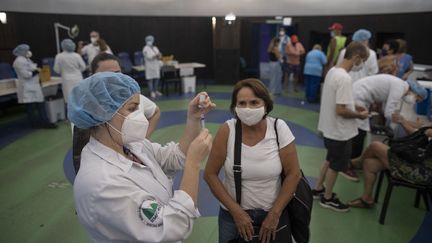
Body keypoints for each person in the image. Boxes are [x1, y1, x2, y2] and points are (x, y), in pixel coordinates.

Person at [68, 72, 215, 242]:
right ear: (103, 114)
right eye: (131, 108)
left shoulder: (129, 145)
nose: (140, 115)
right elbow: (173, 227)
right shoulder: (101, 183)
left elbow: (174, 157)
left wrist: (193, 118)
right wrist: (193, 165)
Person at [204, 79, 301, 243]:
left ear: (266, 104)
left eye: (254, 102)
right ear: (235, 107)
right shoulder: (227, 130)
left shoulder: (278, 128)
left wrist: (274, 214)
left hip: (273, 214)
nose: (248, 108)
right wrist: (237, 212)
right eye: (242, 103)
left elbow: (293, 174)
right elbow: (210, 174)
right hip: (232, 217)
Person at [72, 52, 161, 173]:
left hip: (137, 162)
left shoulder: (134, 97)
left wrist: (143, 140)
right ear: (93, 77)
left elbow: (155, 111)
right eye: (105, 75)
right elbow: (80, 158)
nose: (113, 80)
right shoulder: (87, 113)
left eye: (117, 74)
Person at [312, 42, 369, 212]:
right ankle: (328, 198)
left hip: (329, 129)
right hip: (340, 132)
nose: (362, 64)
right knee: (336, 166)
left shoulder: (332, 72)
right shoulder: (344, 78)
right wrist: (359, 115)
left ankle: (318, 188)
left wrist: (353, 106)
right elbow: (341, 110)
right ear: (356, 57)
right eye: (363, 60)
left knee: (329, 159)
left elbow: (339, 102)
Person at [340, 75, 427, 181]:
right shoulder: (400, 87)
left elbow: (387, 109)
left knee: (360, 131)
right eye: (417, 99)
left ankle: (352, 163)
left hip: (360, 94)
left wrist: (404, 120)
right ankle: (347, 166)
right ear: (414, 92)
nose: (414, 102)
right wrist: (407, 122)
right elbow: (388, 113)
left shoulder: (399, 85)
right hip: (359, 96)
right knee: (359, 132)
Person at [347, 121, 432, 208]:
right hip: (415, 161)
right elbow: (418, 132)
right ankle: (367, 199)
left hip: (420, 172)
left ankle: (354, 164)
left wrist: (427, 132)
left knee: (375, 146)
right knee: (369, 164)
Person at [12, 44, 57, 129]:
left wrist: (37, 68)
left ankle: (44, 122)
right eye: (27, 50)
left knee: (40, 105)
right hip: (27, 87)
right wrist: (36, 71)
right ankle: (36, 124)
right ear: (22, 51)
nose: (29, 52)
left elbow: (32, 66)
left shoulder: (26, 59)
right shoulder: (19, 61)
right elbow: (26, 75)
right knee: (31, 108)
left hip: (33, 85)